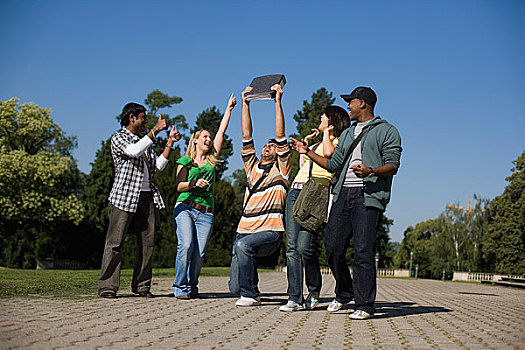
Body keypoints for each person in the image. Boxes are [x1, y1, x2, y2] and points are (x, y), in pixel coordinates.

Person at [290, 86, 402, 319]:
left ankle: (364, 305)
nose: (347, 106)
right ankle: (344, 291)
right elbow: (333, 165)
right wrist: (306, 152)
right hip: (343, 194)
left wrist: (371, 171)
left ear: (363, 103)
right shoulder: (349, 133)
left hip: (368, 196)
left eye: (350, 102)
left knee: (363, 251)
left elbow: (393, 165)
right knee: (332, 247)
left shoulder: (387, 131)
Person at [98, 102, 181, 298]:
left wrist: (169, 142)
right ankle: (107, 286)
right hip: (123, 196)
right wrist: (154, 130)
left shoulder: (145, 142)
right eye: (143, 117)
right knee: (115, 243)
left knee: (147, 243)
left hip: (147, 196)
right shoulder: (119, 138)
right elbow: (134, 151)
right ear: (132, 117)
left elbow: (158, 166)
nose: (145, 121)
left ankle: (142, 286)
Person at [279, 105, 350, 312]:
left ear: (332, 121)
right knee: (291, 247)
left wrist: (327, 133)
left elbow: (329, 157)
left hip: (316, 194)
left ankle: (314, 288)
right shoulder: (320, 141)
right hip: (297, 191)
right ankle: (294, 297)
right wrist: (307, 145)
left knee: (304, 247)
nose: (320, 117)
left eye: (324, 116)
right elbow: (305, 165)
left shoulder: (337, 141)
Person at [229, 84, 291, 307]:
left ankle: (251, 295)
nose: (268, 146)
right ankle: (248, 288)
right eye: (267, 145)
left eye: (273, 146)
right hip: (243, 230)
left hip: (270, 231)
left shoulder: (282, 170)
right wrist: (245, 104)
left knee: (244, 248)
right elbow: (247, 135)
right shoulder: (251, 167)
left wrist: (277, 102)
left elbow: (281, 135)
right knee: (232, 287)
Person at [172, 93, 236, 299]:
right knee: (187, 246)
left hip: (206, 212)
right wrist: (194, 183)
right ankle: (180, 288)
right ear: (196, 140)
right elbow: (179, 186)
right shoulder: (185, 160)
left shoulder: (211, 160)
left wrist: (229, 109)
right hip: (185, 208)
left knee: (199, 255)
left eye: (210, 137)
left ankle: (192, 287)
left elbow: (222, 130)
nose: (208, 139)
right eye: (205, 137)